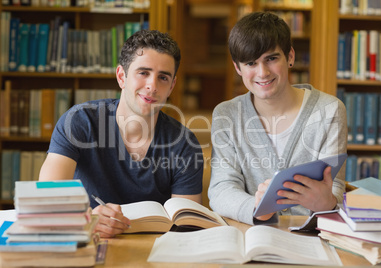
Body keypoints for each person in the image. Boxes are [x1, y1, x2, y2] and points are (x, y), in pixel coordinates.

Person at [39, 30, 204, 237]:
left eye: (163, 77)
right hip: (88, 239)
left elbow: (186, 226)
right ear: (121, 77)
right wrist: (86, 219)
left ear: (172, 86)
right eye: (143, 73)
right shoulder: (80, 121)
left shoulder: (185, 144)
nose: (152, 86)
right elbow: (46, 197)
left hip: (153, 250)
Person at [208, 11, 347, 225]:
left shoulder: (329, 110)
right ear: (237, 68)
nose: (262, 73)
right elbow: (221, 188)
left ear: (289, 56)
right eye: (250, 63)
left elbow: (334, 185)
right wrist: (256, 209)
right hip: (253, 235)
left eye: (271, 59)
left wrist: (327, 203)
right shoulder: (226, 115)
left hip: (311, 237)